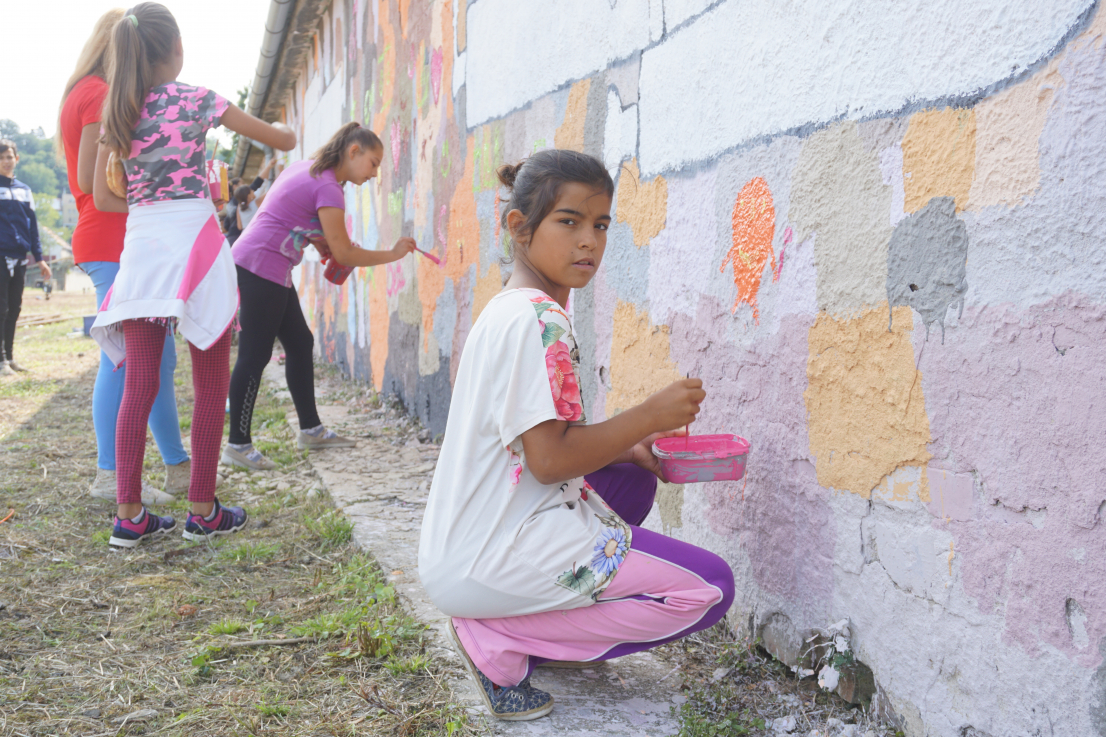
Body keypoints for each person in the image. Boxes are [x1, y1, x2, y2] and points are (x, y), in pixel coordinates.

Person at [417, 150, 735, 721]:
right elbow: (547, 461)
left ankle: (522, 620)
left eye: (601, 224)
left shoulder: (507, 308)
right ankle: (499, 639)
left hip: (464, 548)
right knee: (708, 588)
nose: (588, 240)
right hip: (491, 554)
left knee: (630, 475)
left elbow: (543, 442)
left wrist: (630, 446)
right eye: (569, 221)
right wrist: (649, 416)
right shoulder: (541, 320)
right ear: (520, 227)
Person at [90, 2, 296, 548]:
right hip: (198, 246)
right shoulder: (198, 99)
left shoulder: (119, 111)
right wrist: (286, 131)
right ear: (176, 48)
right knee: (208, 383)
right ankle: (202, 509)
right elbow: (282, 141)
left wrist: (147, 193)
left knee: (139, 383)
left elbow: (104, 195)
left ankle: (128, 516)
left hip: (143, 248)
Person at [224, 122, 416, 470]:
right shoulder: (329, 187)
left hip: (269, 266)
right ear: (353, 151)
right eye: (373, 163)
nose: (375, 174)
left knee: (299, 342)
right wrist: (393, 254)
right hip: (258, 267)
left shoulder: (307, 168)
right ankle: (238, 443)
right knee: (254, 355)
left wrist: (317, 239)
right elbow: (344, 254)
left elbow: (284, 213)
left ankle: (311, 429)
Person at [57, 8, 191, 505]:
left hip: (121, 240)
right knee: (123, 357)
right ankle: (110, 475)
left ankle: (177, 465)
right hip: (112, 240)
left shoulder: (88, 91)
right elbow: (97, 183)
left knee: (156, 356)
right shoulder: (97, 94)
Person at [0, 139, 52, 377]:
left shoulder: (24, 190)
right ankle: (0, 360)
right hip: (1, 255)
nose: (6, 161)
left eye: (9, 156)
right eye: (1, 158)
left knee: (14, 307)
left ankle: (9, 357)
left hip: (20, 256)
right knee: (1, 307)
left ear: (16, 159)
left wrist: (39, 258)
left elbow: (32, 228)